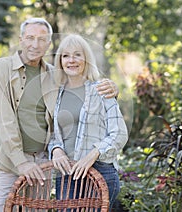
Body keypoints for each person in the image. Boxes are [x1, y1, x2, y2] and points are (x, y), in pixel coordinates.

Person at [0, 18, 119, 211]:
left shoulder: (54, 75)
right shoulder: (2, 68)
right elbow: (3, 120)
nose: (35, 44)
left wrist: (113, 89)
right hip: (10, 161)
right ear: (21, 39)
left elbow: (82, 88)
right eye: (30, 38)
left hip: (42, 162)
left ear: (49, 44)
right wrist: (22, 163)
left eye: (42, 39)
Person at [48, 34, 128, 210]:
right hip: (67, 174)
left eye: (78, 54)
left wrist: (92, 155)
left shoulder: (101, 90)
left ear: (86, 59)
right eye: (66, 55)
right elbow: (53, 132)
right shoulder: (56, 94)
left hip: (99, 172)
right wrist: (56, 149)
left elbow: (119, 134)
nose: (72, 60)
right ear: (60, 60)